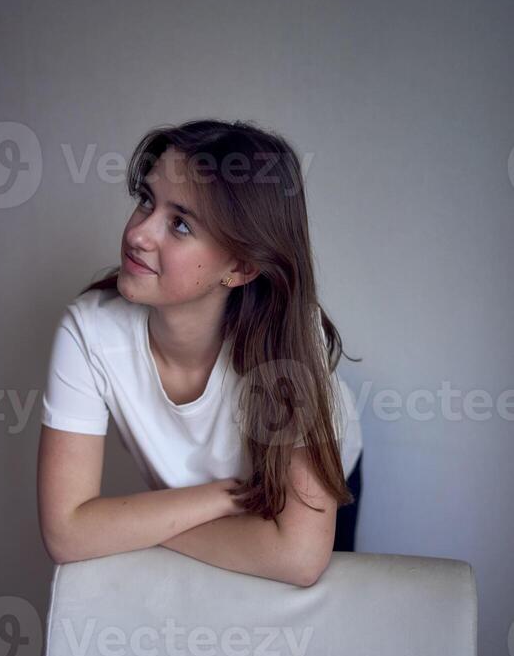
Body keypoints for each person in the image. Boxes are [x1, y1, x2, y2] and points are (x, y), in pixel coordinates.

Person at [37, 119, 363, 586]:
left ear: (242, 266)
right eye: (146, 200)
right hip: (219, 498)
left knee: (303, 637)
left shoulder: (292, 338)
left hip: (330, 485)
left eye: (181, 224)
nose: (139, 234)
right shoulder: (88, 331)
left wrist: (119, 528)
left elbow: (300, 556)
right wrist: (225, 500)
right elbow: (66, 534)